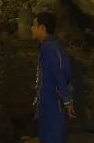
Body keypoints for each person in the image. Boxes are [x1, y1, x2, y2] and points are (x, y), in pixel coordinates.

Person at [31, 11, 76, 143]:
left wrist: (67, 101)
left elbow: (58, 74)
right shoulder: (56, 47)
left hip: (52, 105)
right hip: (55, 103)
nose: (31, 28)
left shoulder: (48, 48)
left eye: (34, 25)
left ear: (42, 28)